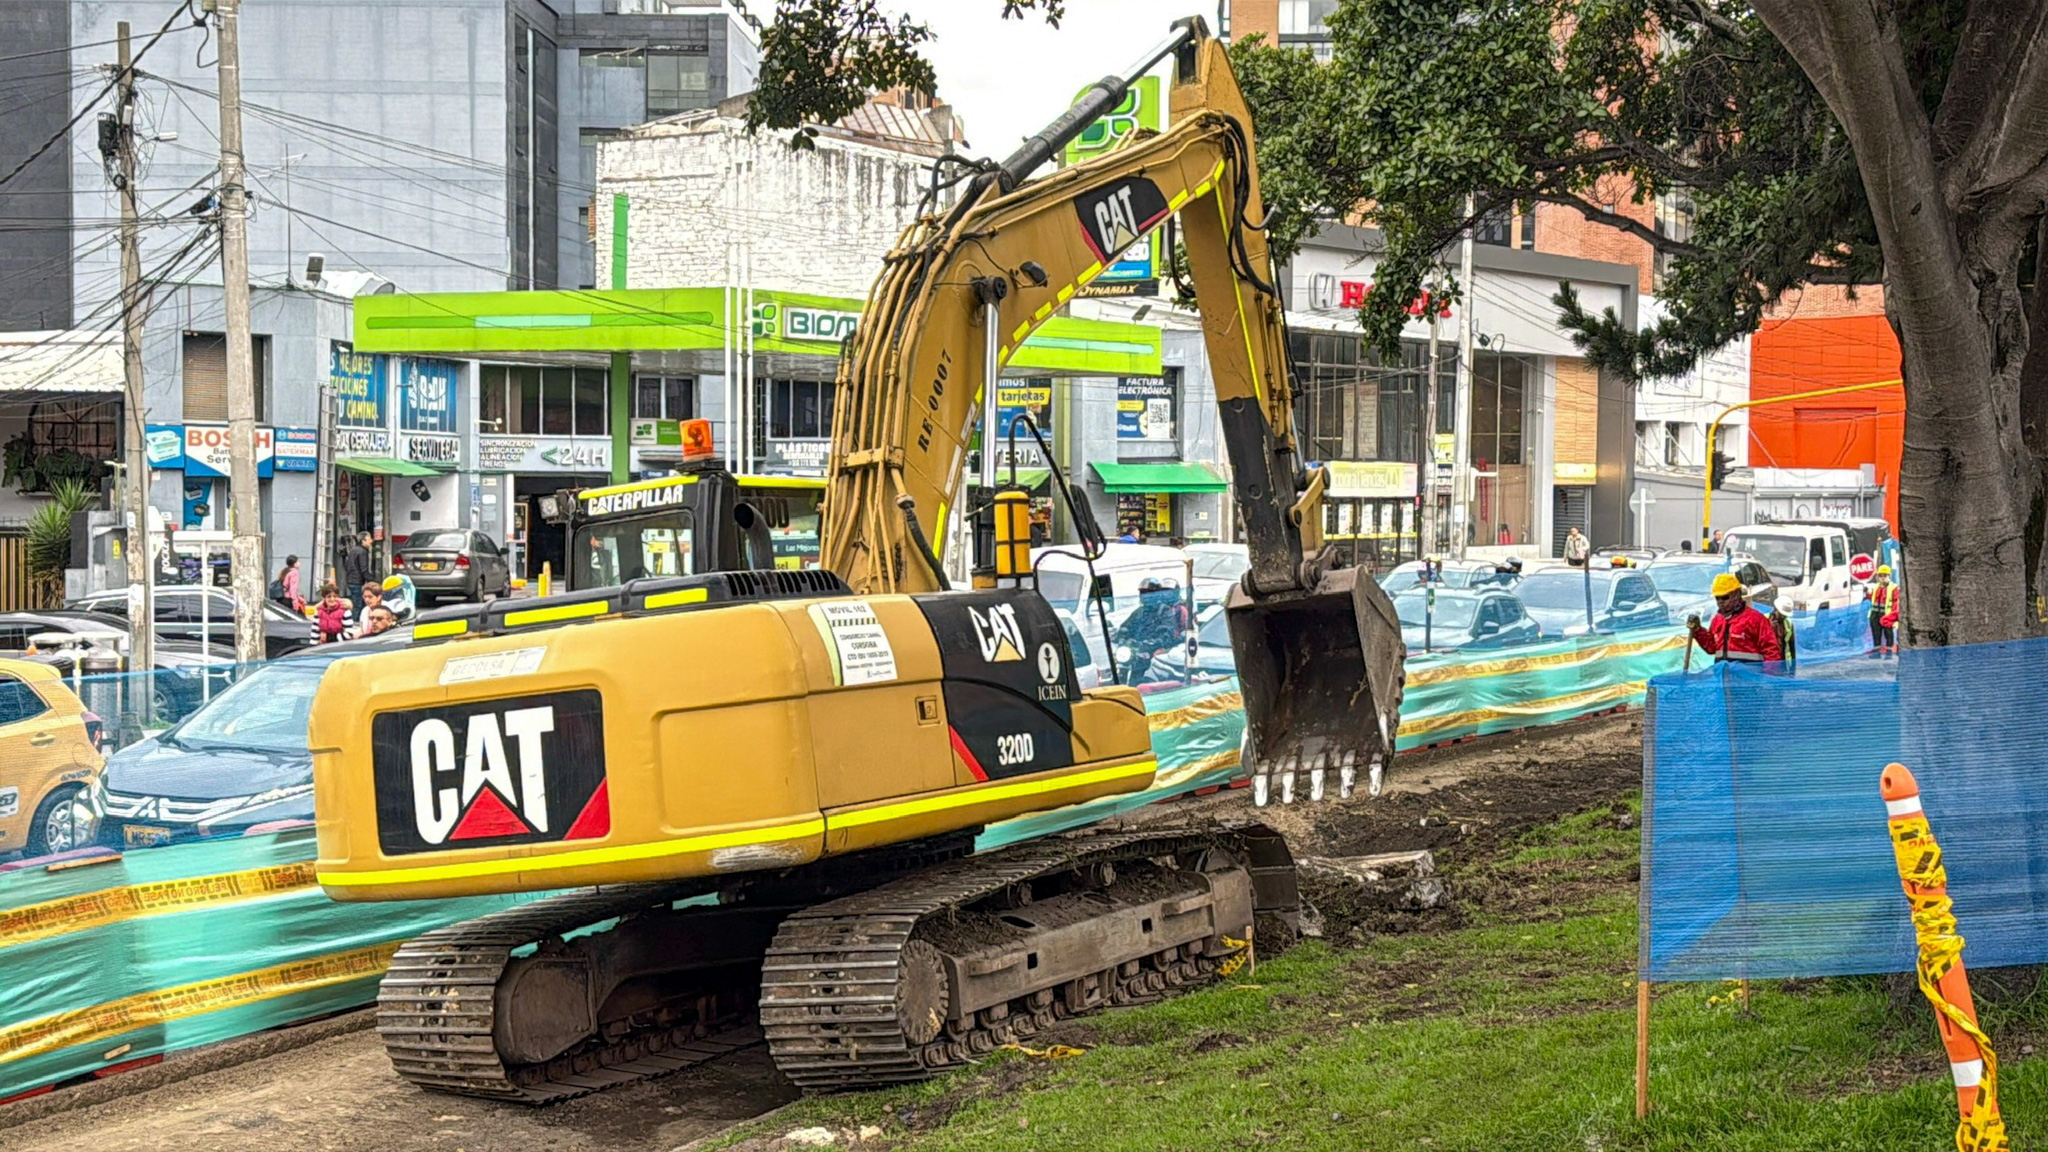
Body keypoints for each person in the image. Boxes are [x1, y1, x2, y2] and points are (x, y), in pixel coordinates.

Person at [1688, 572, 1784, 666]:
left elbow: (1771, 652)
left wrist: (1769, 675)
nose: (1721, 602)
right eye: (1717, 598)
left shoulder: (1755, 619)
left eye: (1725, 597)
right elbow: (1711, 648)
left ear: (1737, 594)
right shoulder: (1717, 620)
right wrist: (1698, 631)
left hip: (1749, 675)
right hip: (1724, 675)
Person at [1113, 578, 1190, 683]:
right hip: (1136, 652)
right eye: (1143, 593)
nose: (1146, 596)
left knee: (1148, 677)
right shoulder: (1139, 612)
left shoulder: (1164, 611)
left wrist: (1148, 644)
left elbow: (1165, 635)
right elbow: (1127, 626)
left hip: (1153, 652)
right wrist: (1121, 637)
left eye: (1150, 593)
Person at [1867, 564, 1902, 657]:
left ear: (1889, 576)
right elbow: (1872, 599)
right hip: (1875, 613)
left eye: (1885, 576)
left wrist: (1893, 615)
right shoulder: (1876, 587)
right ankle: (1876, 649)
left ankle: (1889, 650)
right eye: (1880, 576)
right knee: (1876, 632)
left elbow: (1896, 601)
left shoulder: (1893, 588)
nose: (1882, 578)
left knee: (1888, 633)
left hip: (1887, 614)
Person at [340, 531, 376, 610]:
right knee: (358, 605)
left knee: (356, 603)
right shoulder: (363, 551)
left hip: (351, 580)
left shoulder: (354, 550)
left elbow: (347, 564)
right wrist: (373, 581)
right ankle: (356, 618)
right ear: (363, 541)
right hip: (357, 581)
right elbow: (364, 569)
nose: (371, 541)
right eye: (369, 539)